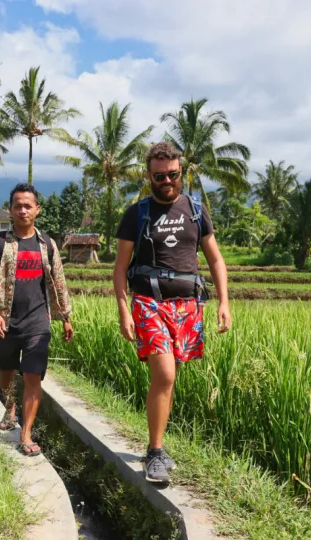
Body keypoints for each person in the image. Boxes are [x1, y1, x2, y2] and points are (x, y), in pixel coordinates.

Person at [113, 141, 231, 483]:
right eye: (159, 175)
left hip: (188, 307)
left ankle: (159, 446)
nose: (166, 180)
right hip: (148, 303)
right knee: (164, 374)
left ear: (182, 173)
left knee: (171, 376)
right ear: (149, 175)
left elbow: (215, 259)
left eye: (173, 174)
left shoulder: (196, 210)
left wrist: (224, 301)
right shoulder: (136, 213)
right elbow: (120, 267)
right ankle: (155, 453)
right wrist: (123, 309)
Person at [0, 183, 74, 457]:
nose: (23, 210)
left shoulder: (47, 244)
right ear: (10, 210)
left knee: (33, 375)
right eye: (17, 205)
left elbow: (58, 281)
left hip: (38, 321)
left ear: (37, 210)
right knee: (6, 371)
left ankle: (25, 434)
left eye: (28, 205)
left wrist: (65, 318)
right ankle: (10, 406)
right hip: (6, 321)